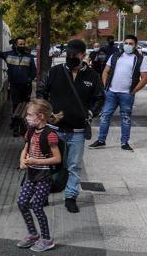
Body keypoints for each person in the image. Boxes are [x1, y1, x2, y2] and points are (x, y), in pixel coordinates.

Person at [37, 40, 104, 213]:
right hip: (54, 129)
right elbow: (41, 92)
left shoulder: (92, 76)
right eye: (68, 55)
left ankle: (71, 197)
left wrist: (90, 113)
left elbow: (99, 98)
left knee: (74, 165)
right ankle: (43, 194)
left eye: (74, 55)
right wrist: (46, 113)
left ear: (83, 55)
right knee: (48, 164)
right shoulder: (55, 72)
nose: (70, 58)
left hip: (78, 131)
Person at [89, 35, 147, 152]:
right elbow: (105, 71)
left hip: (127, 95)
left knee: (125, 118)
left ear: (135, 45)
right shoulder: (115, 56)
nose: (127, 45)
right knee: (104, 117)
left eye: (130, 43)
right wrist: (106, 87)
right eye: (126, 43)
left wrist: (133, 91)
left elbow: (145, 78)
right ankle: (101, 140)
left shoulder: (140, 59)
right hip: (111, 93)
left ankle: (124, 143)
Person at [17, 99, 62, 252]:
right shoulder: (30, 131)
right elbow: (26, 148)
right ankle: (32, 234)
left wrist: (36, 160)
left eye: (30, 115)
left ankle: (47, 239)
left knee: (37, 207)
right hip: (31, 174)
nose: (27, 118)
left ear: (41, 116)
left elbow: (57, 158)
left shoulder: (50, 135)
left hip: (44, 176)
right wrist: (22, 160)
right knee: (22, 203)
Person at [0, 35, 37, 136]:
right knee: (16, 105)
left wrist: (29, 79)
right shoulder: (8, 55)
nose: (22, 45)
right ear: (15, 45)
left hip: (26, 86)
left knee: (24, 106)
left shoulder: (29, 57)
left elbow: (34, 71)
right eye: (20, 44)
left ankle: (23, 126)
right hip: (14, 86)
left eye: (24, 44)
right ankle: (16, 127)